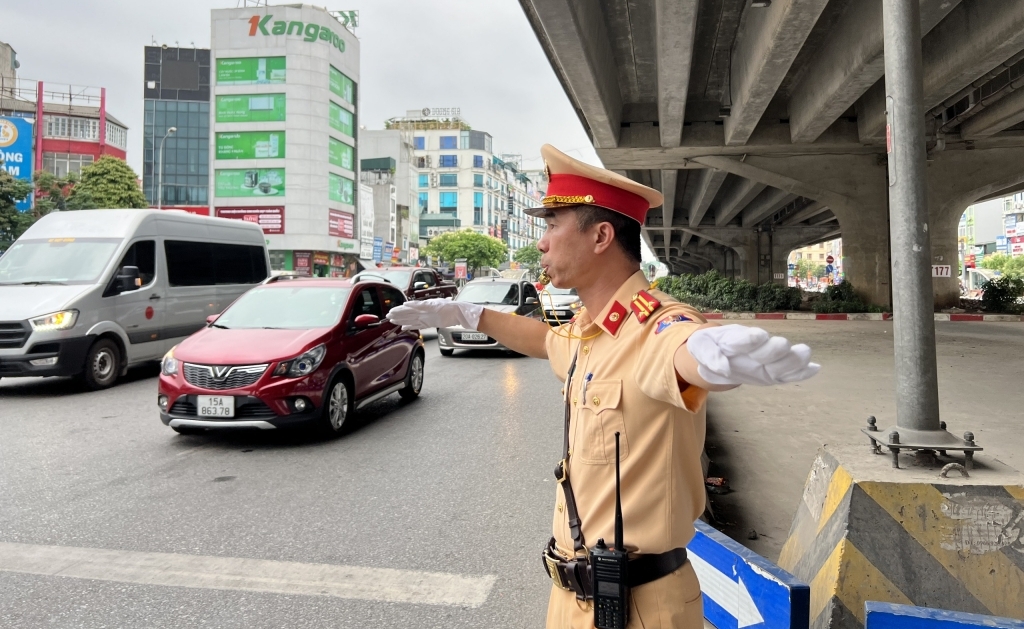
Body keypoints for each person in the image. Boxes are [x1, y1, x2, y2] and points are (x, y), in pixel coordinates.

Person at [386, 145, 819, 629]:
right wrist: (471, 315)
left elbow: (677, 350)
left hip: (640, 607)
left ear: (601, 236)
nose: (542, 243)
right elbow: (548, 342)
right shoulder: (588, 329)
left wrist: (709, 357)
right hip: (572, 599)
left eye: (552, 225)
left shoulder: (657, 324)